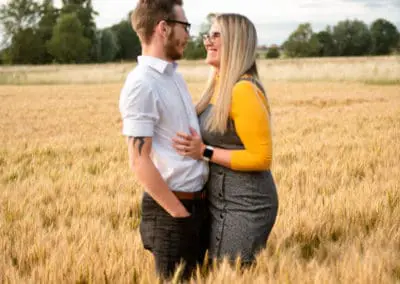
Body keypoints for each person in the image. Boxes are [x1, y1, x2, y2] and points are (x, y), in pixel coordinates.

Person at [172, 13, 279, 266]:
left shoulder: (242, 90)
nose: (208, 41)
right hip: (218, 200)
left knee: (229, 272)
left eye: (216, 35)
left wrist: (204, 152)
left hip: (246, 203)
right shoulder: (217, 86)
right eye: (208, 34)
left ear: (237, 41)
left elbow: (261, 157)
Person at [119, 0, 209, 279]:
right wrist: (178, 215)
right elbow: (138, 160)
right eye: (185, 27)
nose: (189, 35)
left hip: (197, 207)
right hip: (172, 213)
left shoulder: (173, 77)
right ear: (163, 28)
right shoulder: (141, 84)